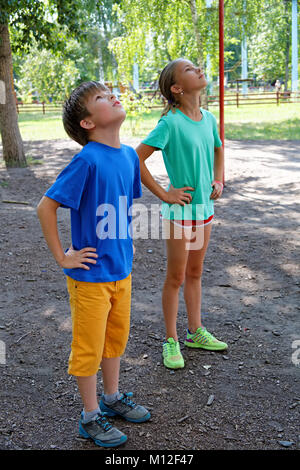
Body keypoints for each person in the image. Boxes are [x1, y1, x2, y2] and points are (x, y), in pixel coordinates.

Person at [37, 81, 150, 448]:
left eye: (109, 93)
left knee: (115, 341)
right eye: (101, 98)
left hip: (122, 272)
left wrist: (124, 251)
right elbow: (46, 207)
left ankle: (112, 397)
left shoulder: (130, 156)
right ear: (87, 123)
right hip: (89, 278)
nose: (112, 96)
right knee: (88, 347)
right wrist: (63, 257)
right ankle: (89, 417)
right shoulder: (86, 160)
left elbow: (121, 209)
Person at [135, 58, 228, 370]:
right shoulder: (170, 123)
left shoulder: (209, 119)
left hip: (205, 211)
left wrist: (219, 179)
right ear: (176, 88)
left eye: (196, 67)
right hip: (179, 214)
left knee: (196, 273)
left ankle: (195, 331)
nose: (198, 70)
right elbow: (137, 159)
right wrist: (165, 194)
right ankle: (171, 339)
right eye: (190, 70)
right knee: (175, 276)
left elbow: (218, 148)